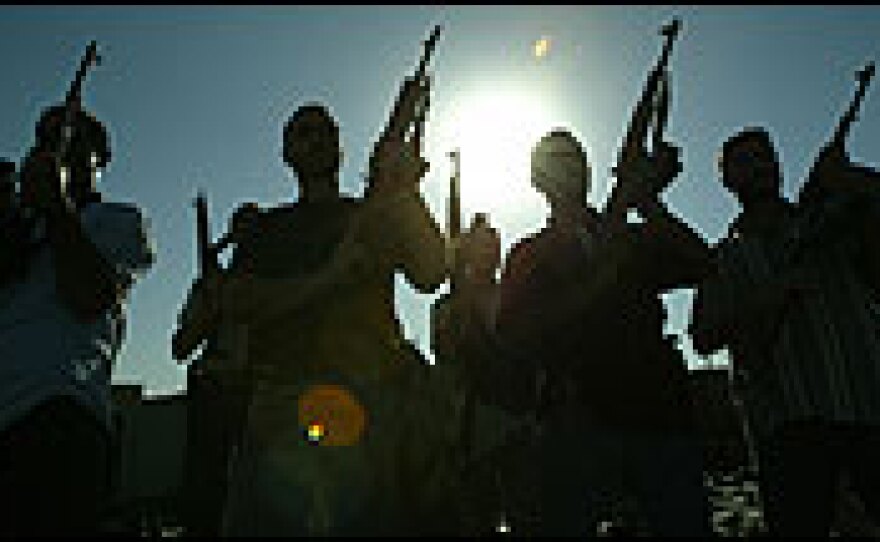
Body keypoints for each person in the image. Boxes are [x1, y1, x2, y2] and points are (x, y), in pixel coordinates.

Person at [212, 70, 455, 535]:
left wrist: (406, 192)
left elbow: (432, 273)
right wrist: (329, 277)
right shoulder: (268, 227)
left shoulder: (374, 213)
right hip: (283, 403)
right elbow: (239, 301)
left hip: (366, 408)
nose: (317, 140)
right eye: (304, 132)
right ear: (287, 153)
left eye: (327, 132)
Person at [497, 123, 712, 536]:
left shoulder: (628, 235)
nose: (570, 169)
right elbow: (516, 333)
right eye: (556, 161)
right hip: (577, 423)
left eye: (576, 159)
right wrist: (594, 282)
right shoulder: (528, 254)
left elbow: (701, 264)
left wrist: (648, 201)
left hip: (658, 415)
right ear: (535, 179)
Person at [691, 127, 880, 536]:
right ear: (727, 181)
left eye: (766, 156)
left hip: (868, 407)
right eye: (745, 162)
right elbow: (703, 337)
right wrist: (768, 297)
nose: (760, 167)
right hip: (789, 431)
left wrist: (853, 179)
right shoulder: (723, 257)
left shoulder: (835, 221)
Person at [0, 102, 155, 536]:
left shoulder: (119, 220)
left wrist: (56, 209)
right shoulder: (16, 228)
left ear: (101, 160)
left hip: (60, 416)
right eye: (47, 139)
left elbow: (90, 296)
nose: (59, 148)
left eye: (73, 139)